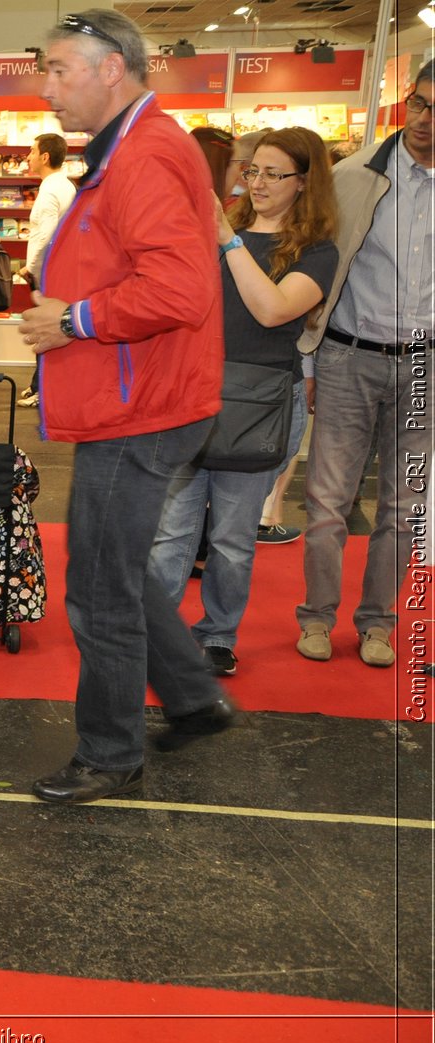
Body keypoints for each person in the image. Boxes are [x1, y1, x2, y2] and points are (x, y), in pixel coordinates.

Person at [17, 9, 234, 804]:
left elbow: (177, 287)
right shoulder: (143, 144)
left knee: (100, 584)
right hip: (147, 394)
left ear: (113, 69)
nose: (46, 90)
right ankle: (192, 695)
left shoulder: (143, 153)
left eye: (58, 70)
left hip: (140, 404)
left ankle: (109, 752)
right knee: (117, 560)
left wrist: (72, 318)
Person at [148, 128, 339, 678]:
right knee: (171, 531)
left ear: (305, 183)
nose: (257, 183)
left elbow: (273, 310)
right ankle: (157, 634)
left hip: (257, 405)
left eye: (273, 174)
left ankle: (216, 637)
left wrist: (227, 240)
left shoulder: (315, 252)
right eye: (253, 170)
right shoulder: (211, 229)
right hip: (192, 395)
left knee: (232, 538)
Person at [295, 60, 435, 669]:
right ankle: (317, 618)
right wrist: (308, 361)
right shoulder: (353, 178)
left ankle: (378, 622)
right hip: (348, 357)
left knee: (406, 507)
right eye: (422, 104)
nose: (427, 121)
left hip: (424, 366)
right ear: (408, 99)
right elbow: (316, 268)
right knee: (327, 499)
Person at [17, 133, 75, 408]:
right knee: (52, 328)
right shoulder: (65, 186)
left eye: (31, 151)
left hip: (47, 273)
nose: (27, 156)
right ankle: (39, 384)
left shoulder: (51, 189)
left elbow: (46, 234)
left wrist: (32, 268)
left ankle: (44, 389)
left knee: (46, 330)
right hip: (57, 270)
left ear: (45, 157)